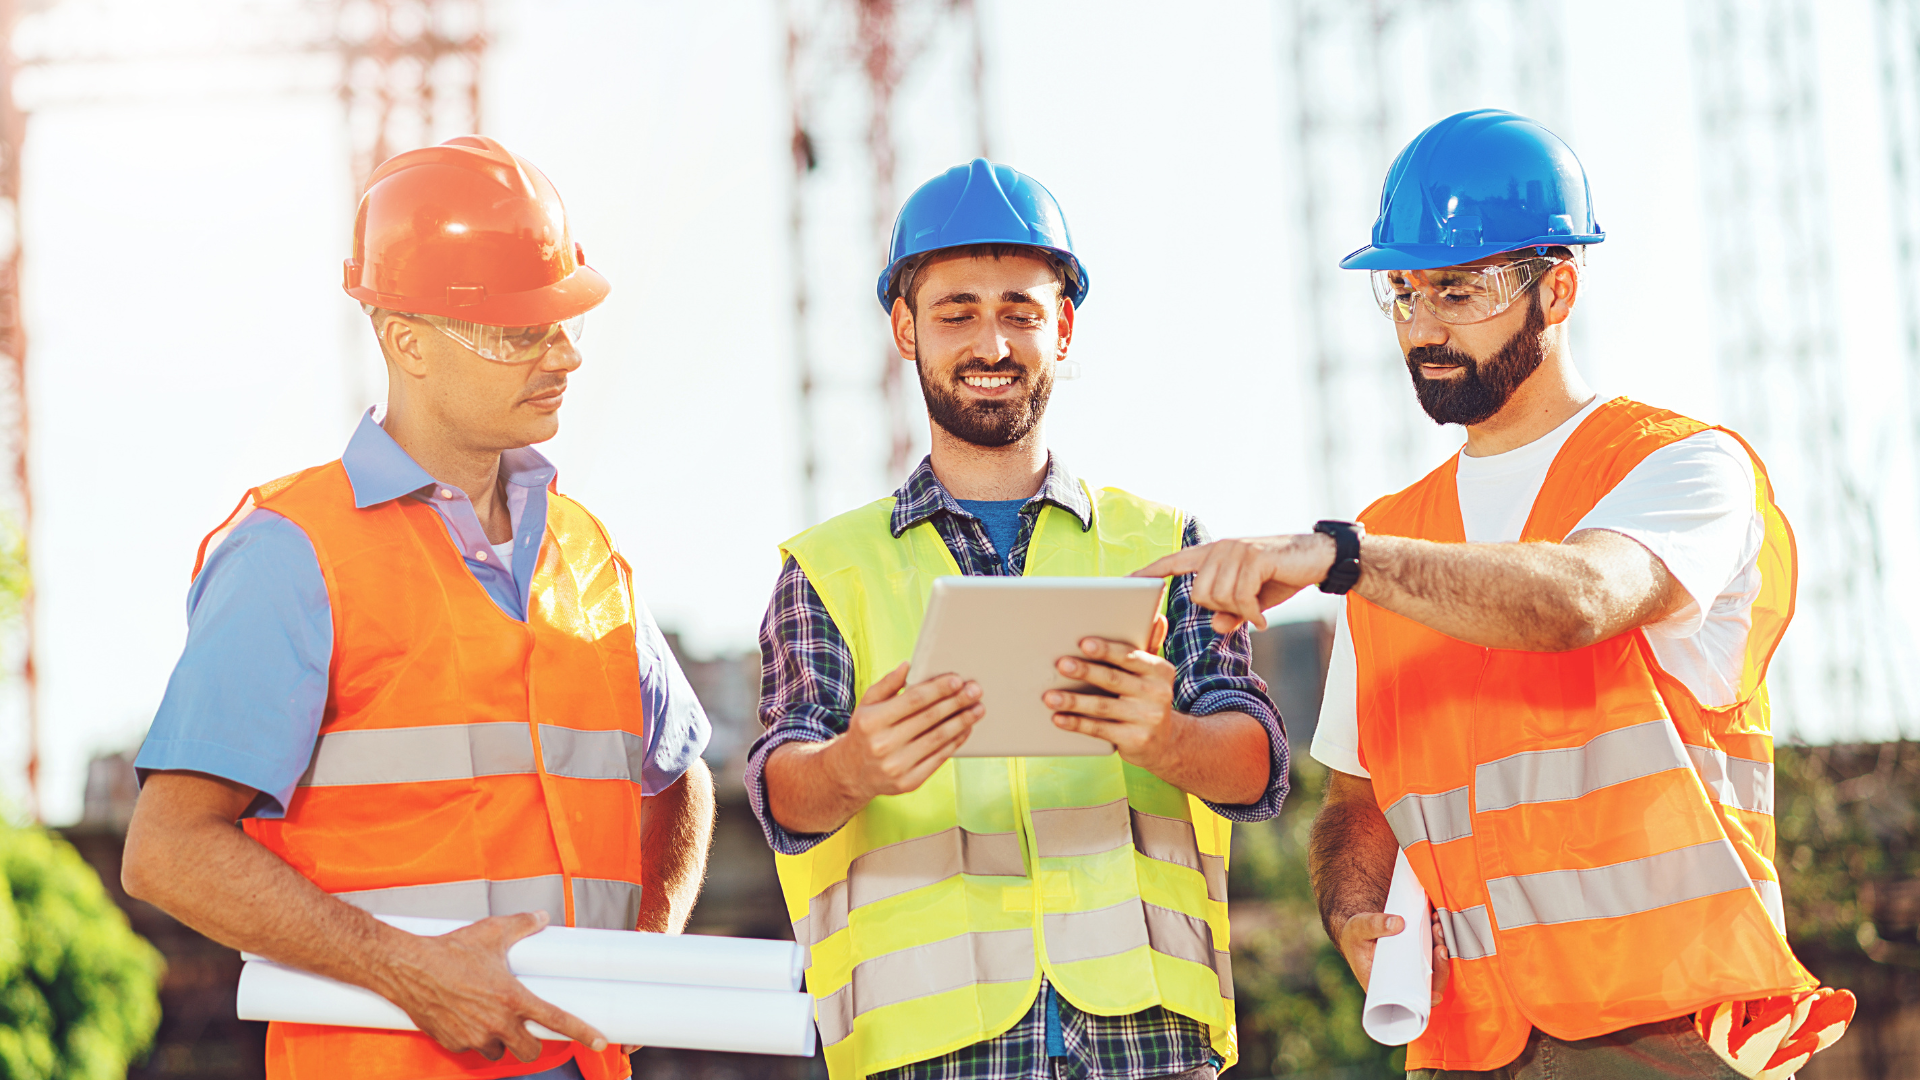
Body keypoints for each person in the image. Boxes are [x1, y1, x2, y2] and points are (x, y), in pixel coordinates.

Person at [1137, 110, 1853, 1079]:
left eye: (1458, 290)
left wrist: (1345, 559)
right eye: (1403, 293)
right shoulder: (1392, 527)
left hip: (1663, 1034)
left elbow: (1582, 598)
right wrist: (1356, 917)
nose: (1422, 327)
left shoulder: (1678, 467)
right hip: (1467, 1044)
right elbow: (1358, 801)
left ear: (1555, 290)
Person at [121, 135, 715, 1080]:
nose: (563, 353)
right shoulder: (291, 551)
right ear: (408, 341)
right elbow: (168, 852)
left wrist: (640, 962)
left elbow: (678, 775)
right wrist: (412, 973)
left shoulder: (588, 553)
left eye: (564, 320)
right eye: (524, 330)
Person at [748, 159, 1289, 1080]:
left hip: (1145, 1045)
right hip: (930, 1054)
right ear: (904, 328)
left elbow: (1258, 769)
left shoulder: (1162, 544)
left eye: (1021, 311)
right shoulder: (829, 571)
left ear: (1064, 328)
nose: (990, 343)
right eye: (956, 311)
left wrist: (1164, 738)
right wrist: (853, 765)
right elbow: (780, 796)